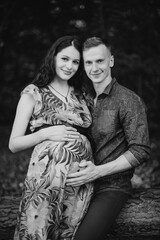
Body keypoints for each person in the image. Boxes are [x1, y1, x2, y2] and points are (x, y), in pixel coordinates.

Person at [9, 36, 94, 240]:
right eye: (65, 59)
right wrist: (44, 133)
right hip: (46, 181)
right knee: (39, 231)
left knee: (68, 233)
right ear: (53, 57)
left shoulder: (83, 96)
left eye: (75, 62)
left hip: (79, 181)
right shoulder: (34, 93)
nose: (70, 66)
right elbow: (13, 144)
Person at [66, 37, 151, 240]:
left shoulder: (128, 100)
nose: (95, 68)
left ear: (111, 61)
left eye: (100, 61)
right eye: (89, 62)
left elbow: (141, 150)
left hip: (111, 187)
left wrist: (97, 172)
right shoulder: (82, 100)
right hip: (79, 186)